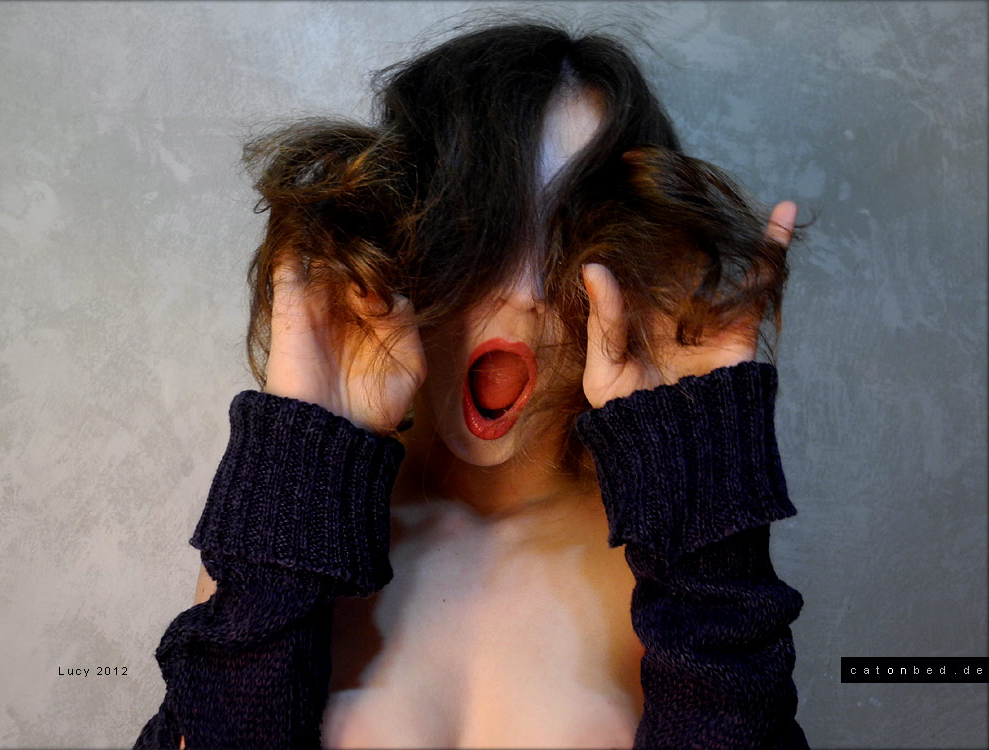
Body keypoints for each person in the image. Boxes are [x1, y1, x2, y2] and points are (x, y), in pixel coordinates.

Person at [135, 20, 807, 750]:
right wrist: (299, 441)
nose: (526, 291)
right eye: (484, 224)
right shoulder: (294, 529)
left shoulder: (670, 553)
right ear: (400, 230)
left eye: (567, 234)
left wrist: (699, 473)